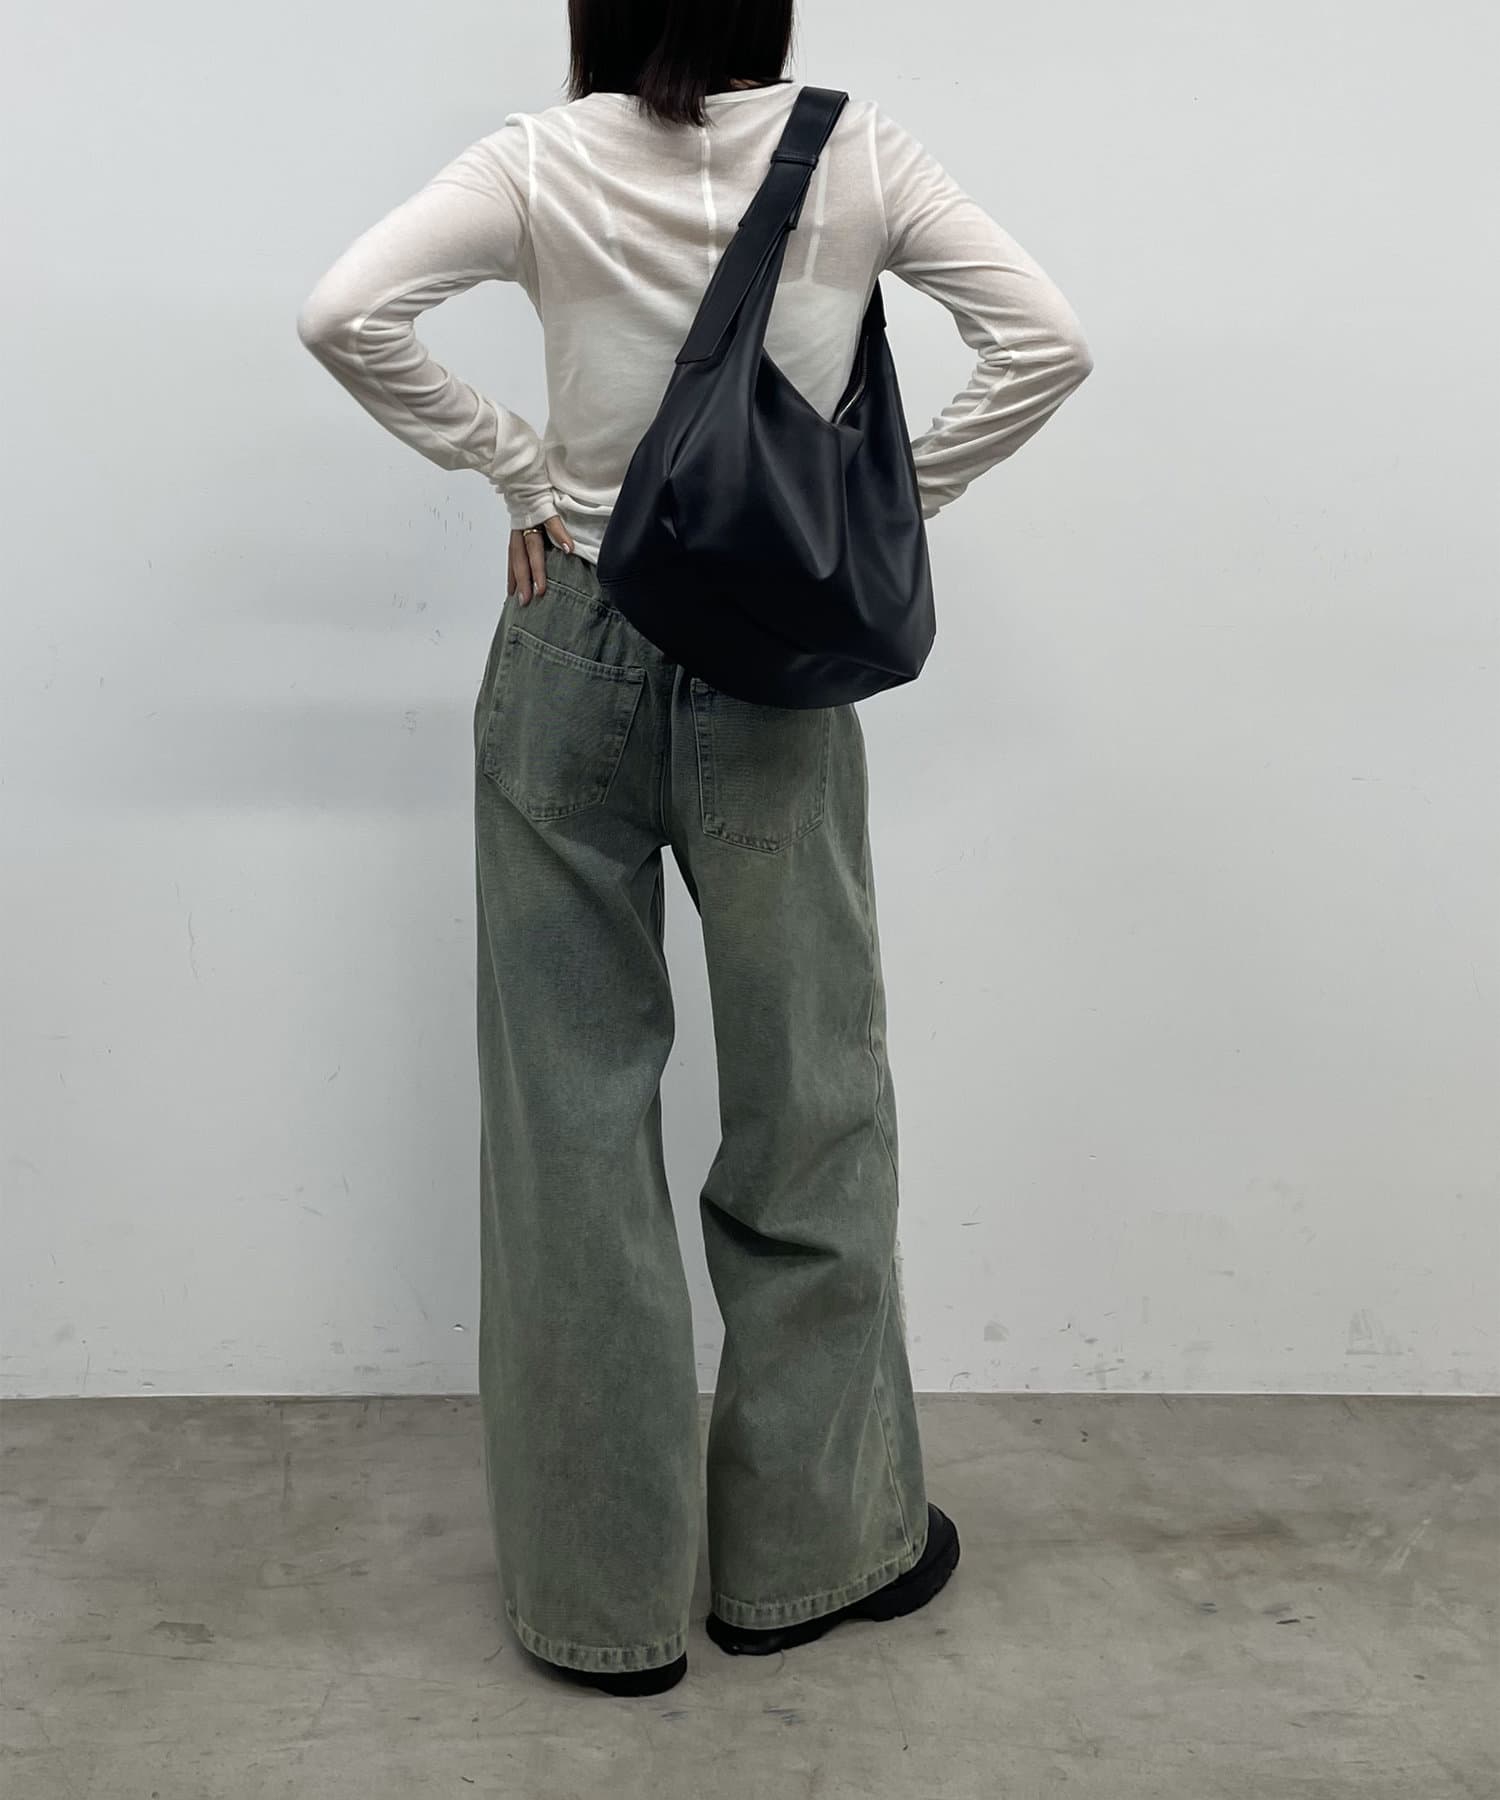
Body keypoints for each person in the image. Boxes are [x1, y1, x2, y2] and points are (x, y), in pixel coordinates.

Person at [296, 0, 1092, 1700]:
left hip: (570, 639)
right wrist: (887, 506)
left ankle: (604, 1605)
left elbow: (342, 311)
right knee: (813, 1107)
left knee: (570, 1128)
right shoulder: (854, 150)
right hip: (772, 670)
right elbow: (1048, 343)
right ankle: (810, 1564)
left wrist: (519, 471)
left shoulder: (540, 160)